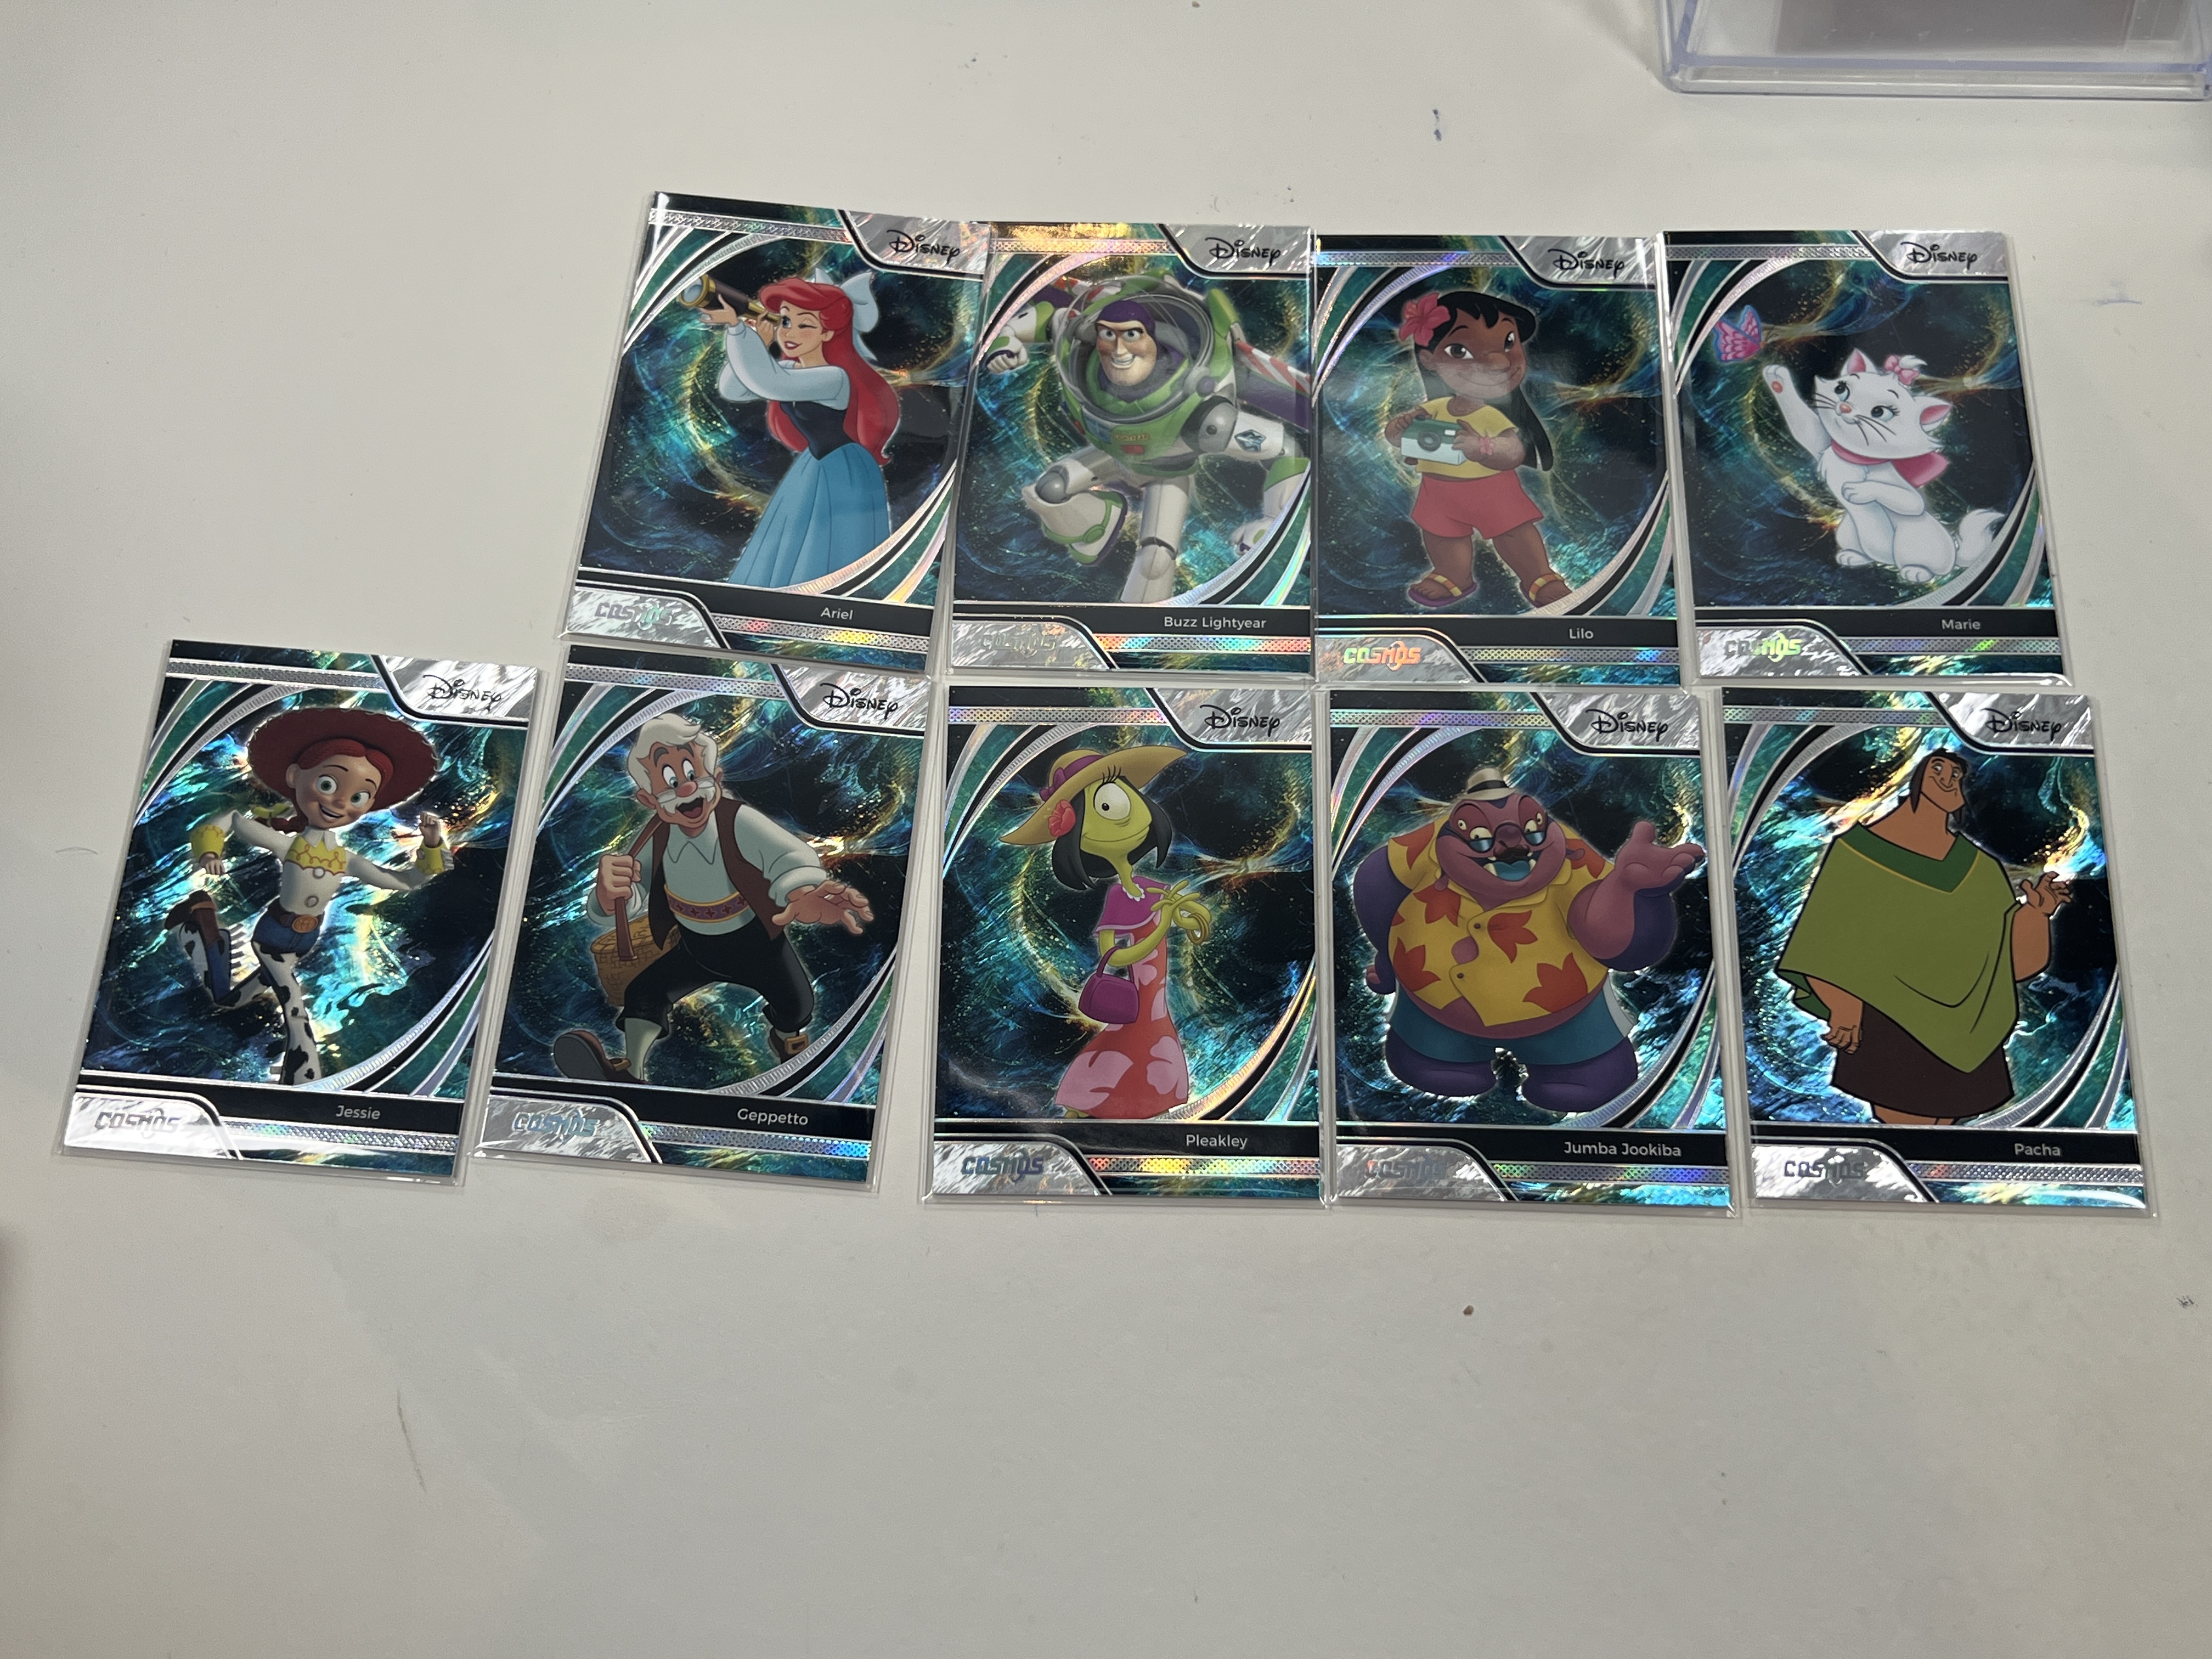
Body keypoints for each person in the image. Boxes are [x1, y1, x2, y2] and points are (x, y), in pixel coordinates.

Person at [552, 711, 872, 1082]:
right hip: (696, 947)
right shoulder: (655, 836)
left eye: (692, 775)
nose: (686, 790)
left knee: (797, 1004)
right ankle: (631, 1072)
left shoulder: (738, 821)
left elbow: (786, 856)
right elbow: (630, 895)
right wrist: (609, 896)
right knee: (644, 992)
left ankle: (790, 1046)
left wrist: (801, 891)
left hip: (757, 945)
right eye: (671, 782)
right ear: (649, 798)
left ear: (715, 778)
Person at [1776, 750, 2072, 1125]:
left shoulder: (1981, 869)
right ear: (1914, 778)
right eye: (1938, 769)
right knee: (1904, 1128)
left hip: (1967, 1035)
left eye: (1957, 774)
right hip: (1889, 1023)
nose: (1949, 778)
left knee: (1941, 1140)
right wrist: (1843, 1006)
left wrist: (2036, 914)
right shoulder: (1856, 854)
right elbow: (1822, 942)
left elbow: (2006, 963)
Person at [166, 706, 451, 1085]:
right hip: (273, 935)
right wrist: (210, 851)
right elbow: (233, 821)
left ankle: (201, 929)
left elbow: (406, 881)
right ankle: (304, 1081)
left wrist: (431, 845)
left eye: (359, 796)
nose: (340, 803)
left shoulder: (345, 859)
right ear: (295, 777)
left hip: (303, 941)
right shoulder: (291, 847)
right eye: (329, 785)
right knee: (295, 1009)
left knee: (229, 999)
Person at [981, 274, 1309, 602]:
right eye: (1108, 335)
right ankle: (1099, 524)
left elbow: (1285, 449)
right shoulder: (1083, 358)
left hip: (1169, 468)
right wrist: (1006, 339)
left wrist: (1273, 523)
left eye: (1131, 335)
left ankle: (1139, 626)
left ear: (1150, 336)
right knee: (1050, 491)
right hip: (1116, 454)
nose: (1119, 349)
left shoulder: (1202, 414)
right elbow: (1051, 317)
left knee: (1154, 562)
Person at [1001, 747, 1211, 1119]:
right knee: (1133, 1040)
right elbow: (1113, 955)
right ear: (1079, 834)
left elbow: (1182, 917)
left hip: (1157, 997)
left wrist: (1190, 916)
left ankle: (1133, 1106)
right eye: (1108, 805)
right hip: (1138, 995)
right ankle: (1088, 1103)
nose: (1131, 814)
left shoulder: (1147, 887)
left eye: (1125, 796)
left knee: (1149, 1042)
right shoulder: (1119, 897)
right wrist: (1162, 925)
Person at [698, 273, 900, 588]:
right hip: (815, 466)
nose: (790, 333)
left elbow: (768, 382)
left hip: (843, 471)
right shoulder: (792, 369)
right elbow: (734, 389)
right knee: (790, 547)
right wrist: (757, 341)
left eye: (805, 325)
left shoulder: (834, 378)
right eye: (786, 321)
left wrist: (738, 331)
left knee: (826, 551)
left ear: (827, 333)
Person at [1382, 290, 1569, 612]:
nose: (1498, 361)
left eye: (1509, 342)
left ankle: (1539, 577)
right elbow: (1403, 438)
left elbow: (1514, 452)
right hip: (1438, 493)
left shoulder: (1491, 415)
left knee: (1513, 533)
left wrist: (1482, 447)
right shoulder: (1435, 408)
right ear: (1429, 360)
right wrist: (1398, 430)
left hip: (1492, 491)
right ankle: (1453, 575)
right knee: (1442, 535)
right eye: (1460, 350)